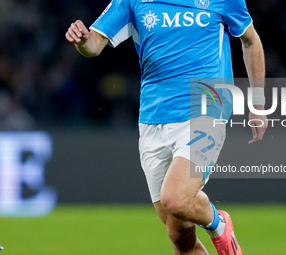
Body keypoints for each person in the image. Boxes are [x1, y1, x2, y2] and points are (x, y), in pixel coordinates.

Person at [66, 0, 267, 253]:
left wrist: (257, 103)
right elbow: (94, 46)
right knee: (179, 236)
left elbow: (250, 40)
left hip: (206, 108)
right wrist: (82, 39)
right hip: (153, 117)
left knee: (176, 198)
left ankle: (219, 224)